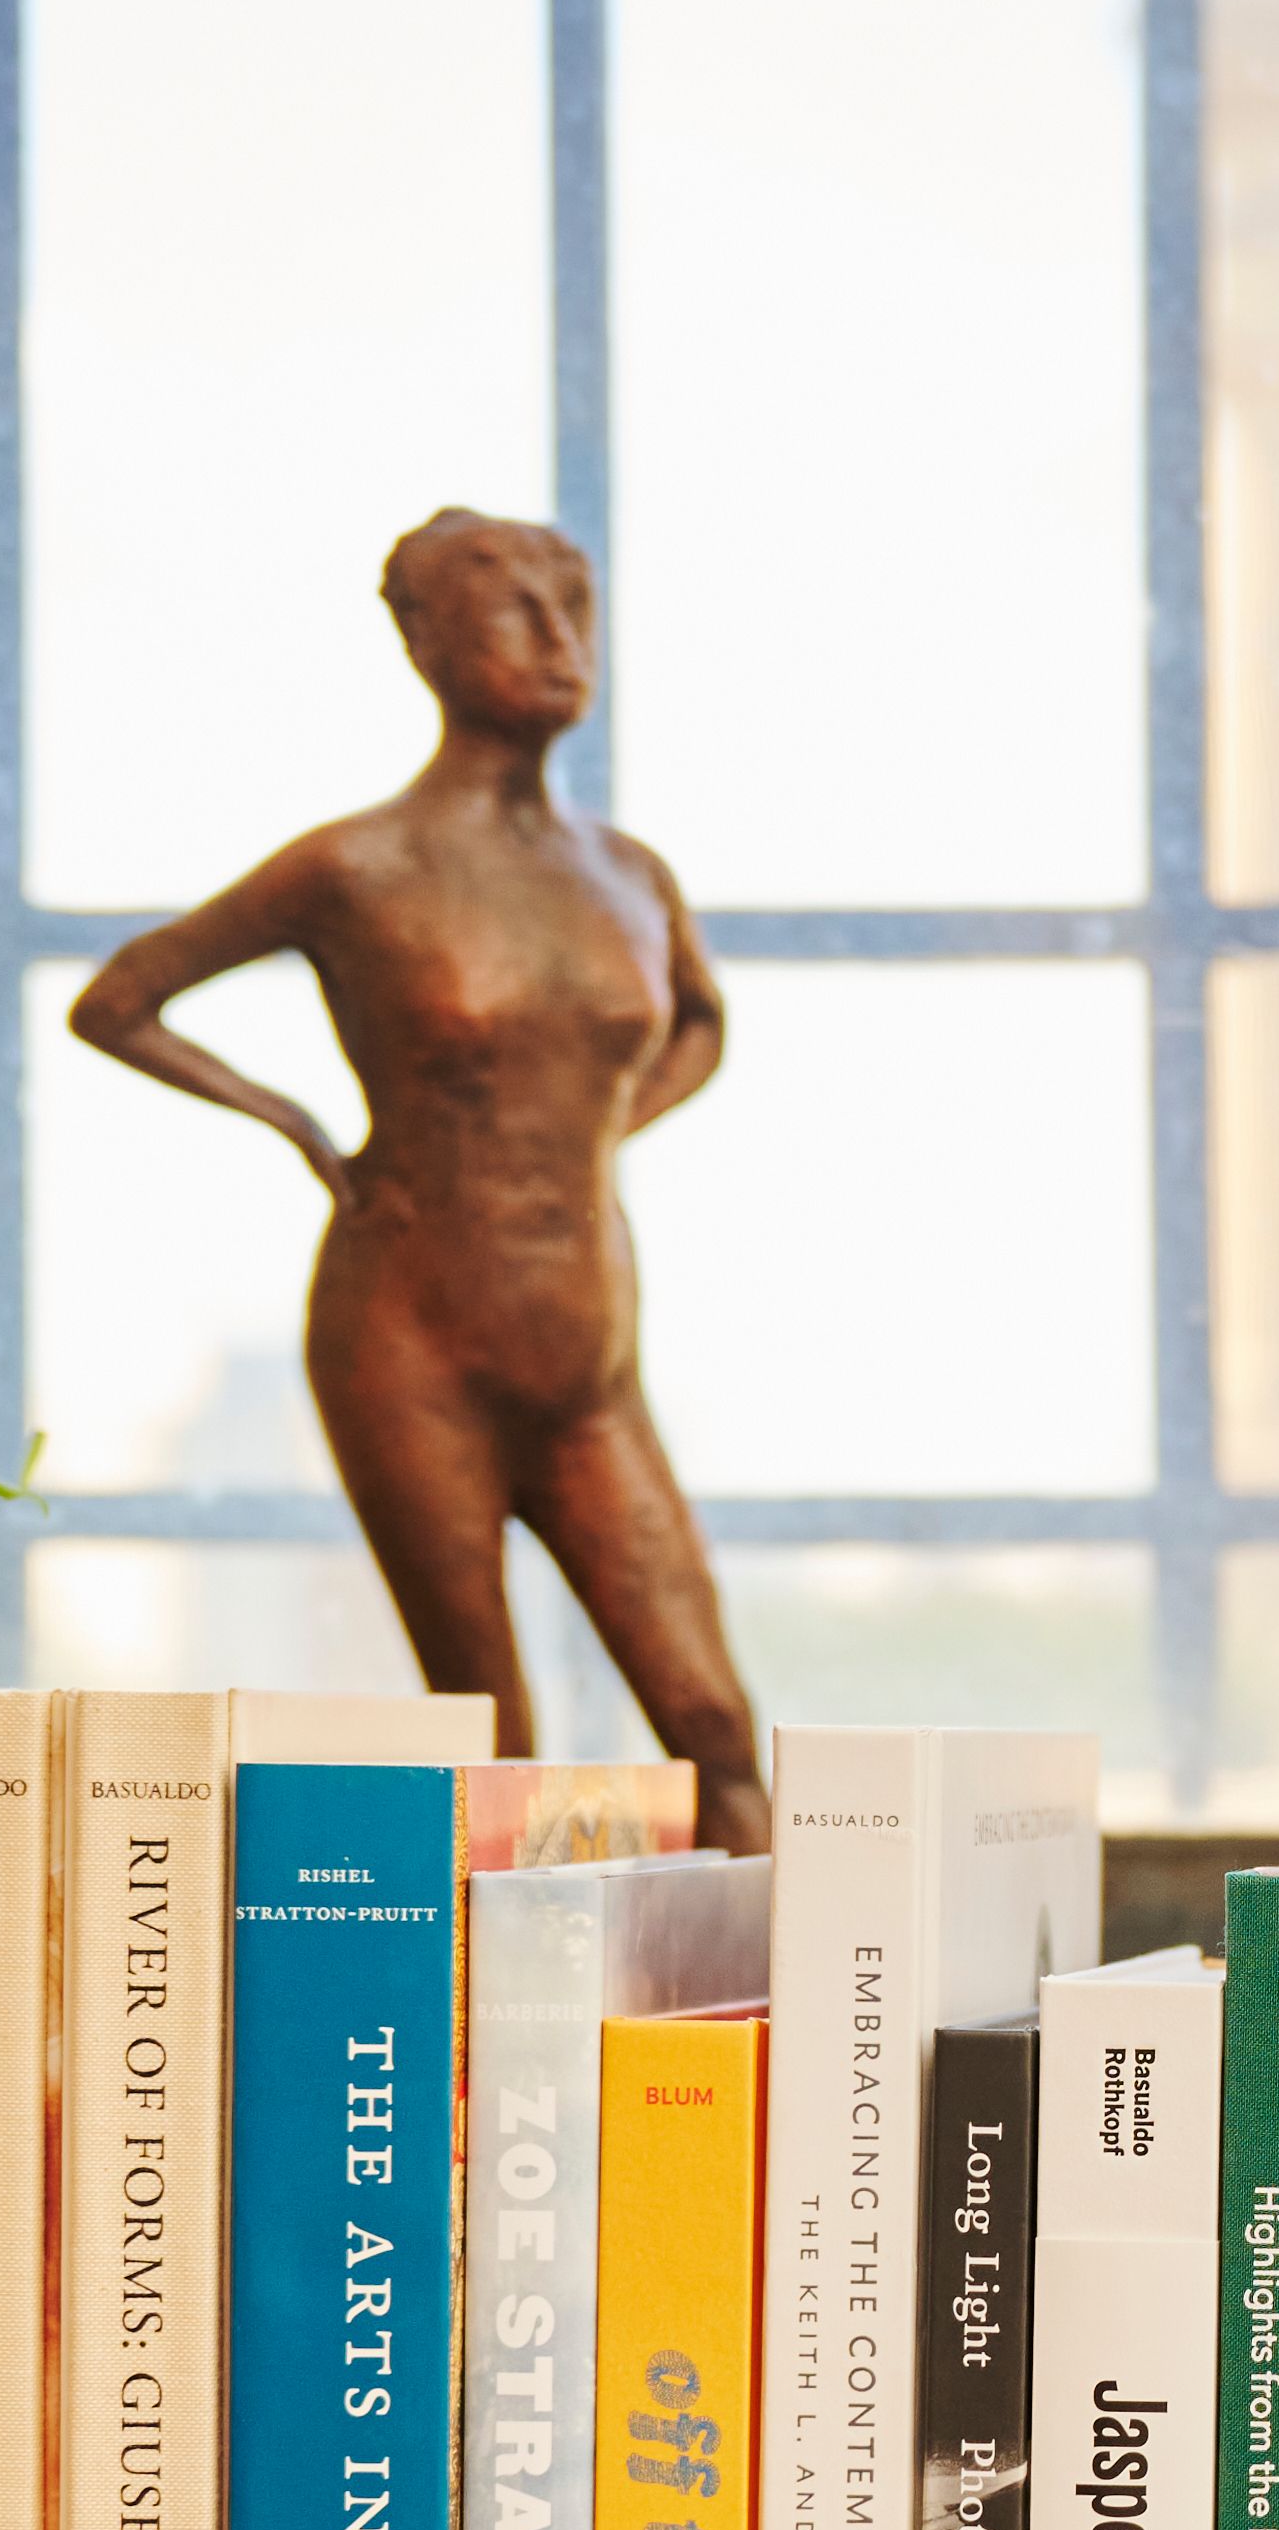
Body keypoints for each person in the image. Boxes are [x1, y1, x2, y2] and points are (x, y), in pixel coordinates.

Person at [66, 510, 769, 1847]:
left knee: (714, 1721)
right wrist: (299, 1127)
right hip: (412, 1327)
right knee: (491, 1740)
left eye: (577, 609)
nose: (561, 643)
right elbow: (120, 1000)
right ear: (423, 640)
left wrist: (600, 1130)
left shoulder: (627, 876)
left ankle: (797, 2040)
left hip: (585, 1337)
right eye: (517, 611)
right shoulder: (356, 866)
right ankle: (491, 2043)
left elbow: (701, 1025)